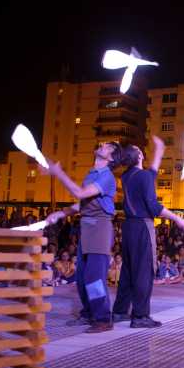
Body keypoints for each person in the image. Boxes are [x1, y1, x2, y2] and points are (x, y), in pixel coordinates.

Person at [43, 141, 123, 333]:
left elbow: (79, 193)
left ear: (111, 158)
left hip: (100, 229)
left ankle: (103, 318)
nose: (102, 144)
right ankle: (89, 313)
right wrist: (61, 213)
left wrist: (59, 172)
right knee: (82, 277)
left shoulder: (107, 177)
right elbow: (83, 202)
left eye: (107, 146)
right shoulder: (91, 174)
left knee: (95, 278)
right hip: (86, 228)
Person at [111, 137, 184, 328]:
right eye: (139, 149)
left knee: (128, 270)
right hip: (142, 226)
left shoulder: (127, 176)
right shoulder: (142, 177)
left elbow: (150, 173)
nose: (141, 150)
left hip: (128, 227)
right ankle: (140, 316)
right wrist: (177, 218)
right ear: (138, 156)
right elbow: (153, 207)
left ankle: (120, 312)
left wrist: (160, 150)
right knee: (144, 271)